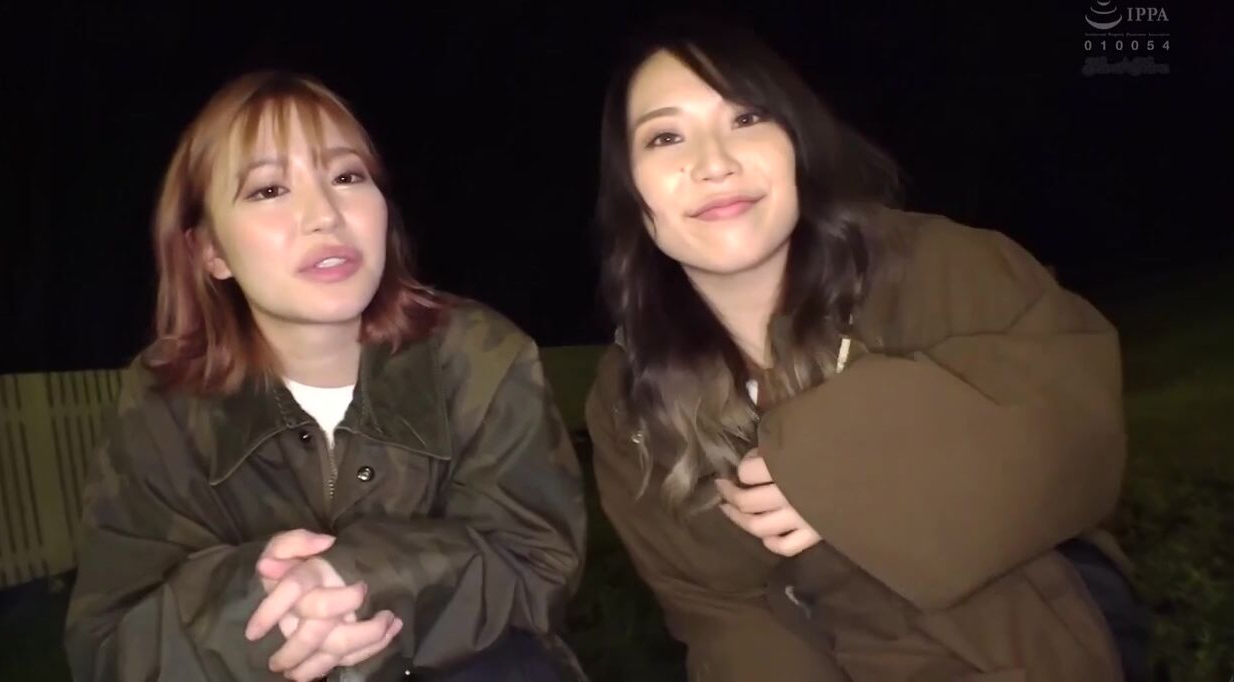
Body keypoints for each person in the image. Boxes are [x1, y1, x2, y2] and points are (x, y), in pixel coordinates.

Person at [585, 17, 1150, 682]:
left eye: (747, 118)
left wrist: (836, 475)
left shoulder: (941, 266)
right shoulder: (627, 400)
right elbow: (719, 618)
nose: (714, 164)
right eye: (666, 136)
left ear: (798, 144)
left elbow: (1076, 434)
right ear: (632, 192)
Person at [64, 71, 587, 682]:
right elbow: (109, 643)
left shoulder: (478, 356)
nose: (324, 215)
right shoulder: (166, 404)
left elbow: (536, 564)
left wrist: (363, 577)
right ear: (211, 252)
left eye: (346, 177)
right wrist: (266, 606)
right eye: (268, 190)